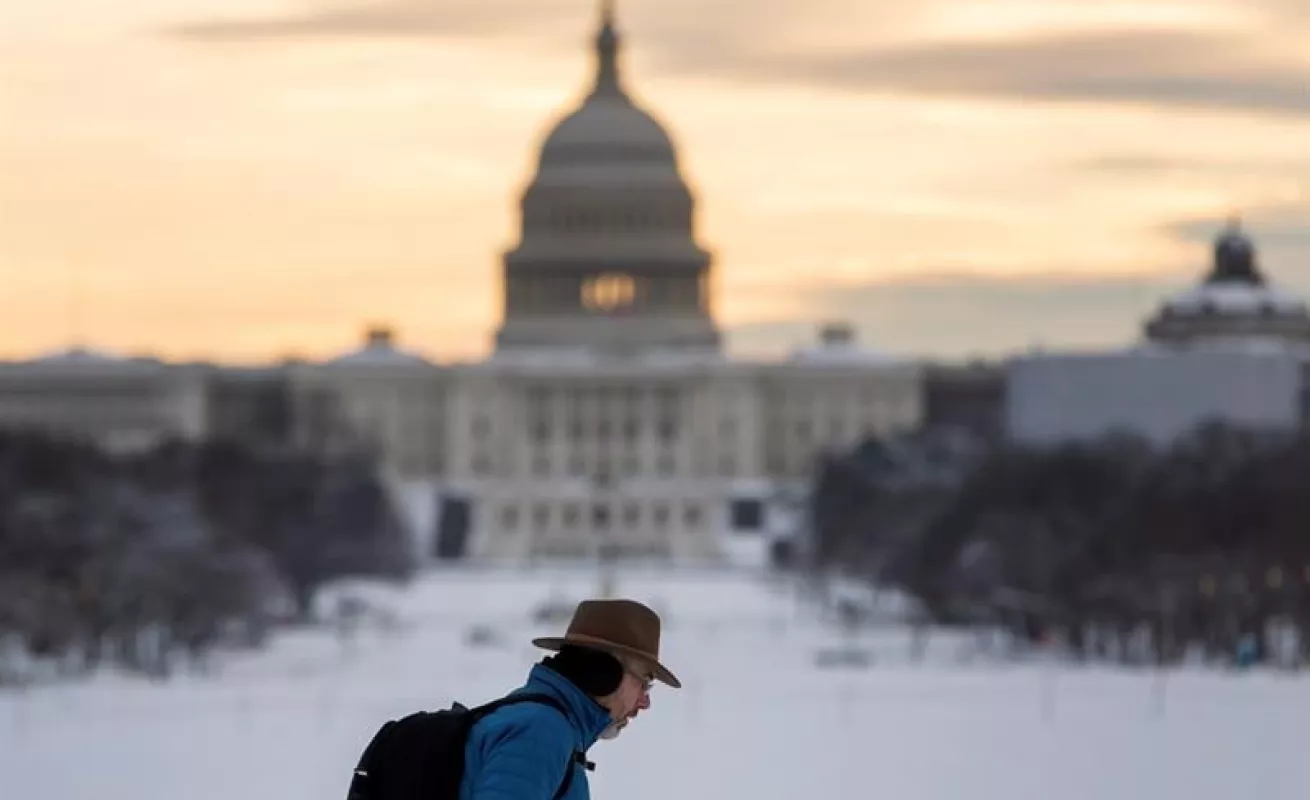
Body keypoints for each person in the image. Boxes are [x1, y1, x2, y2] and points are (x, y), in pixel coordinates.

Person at [459, 598, 680, 800]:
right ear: (604, 672)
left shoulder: (544, 723)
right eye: (644, 682)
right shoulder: (541, 731)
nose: (645, 702)